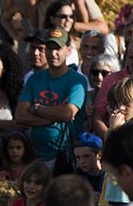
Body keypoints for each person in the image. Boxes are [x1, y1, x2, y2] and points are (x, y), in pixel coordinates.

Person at [13, 28, 87, 165]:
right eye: (49, 48)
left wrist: (37, 109)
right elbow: (20, 115)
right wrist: (51, 118)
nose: (53, 53)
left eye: (58, 48)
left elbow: (67, 113)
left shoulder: (77, 80)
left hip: (64, 155)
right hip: (34, 154)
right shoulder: (34, 79)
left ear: (68, 50)